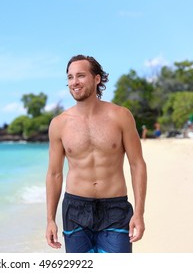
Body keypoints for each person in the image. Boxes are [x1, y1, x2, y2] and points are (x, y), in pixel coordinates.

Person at [45, 55, 147, 253]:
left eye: (81, 76)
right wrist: (50, 219)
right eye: (70, 77)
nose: (74, 82)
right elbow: (54, 174)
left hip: (115, 208)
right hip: (75, 209)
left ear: (97, 79)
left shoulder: (121, 116)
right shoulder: (59, 124)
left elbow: (137, 164)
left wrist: (140, 213)